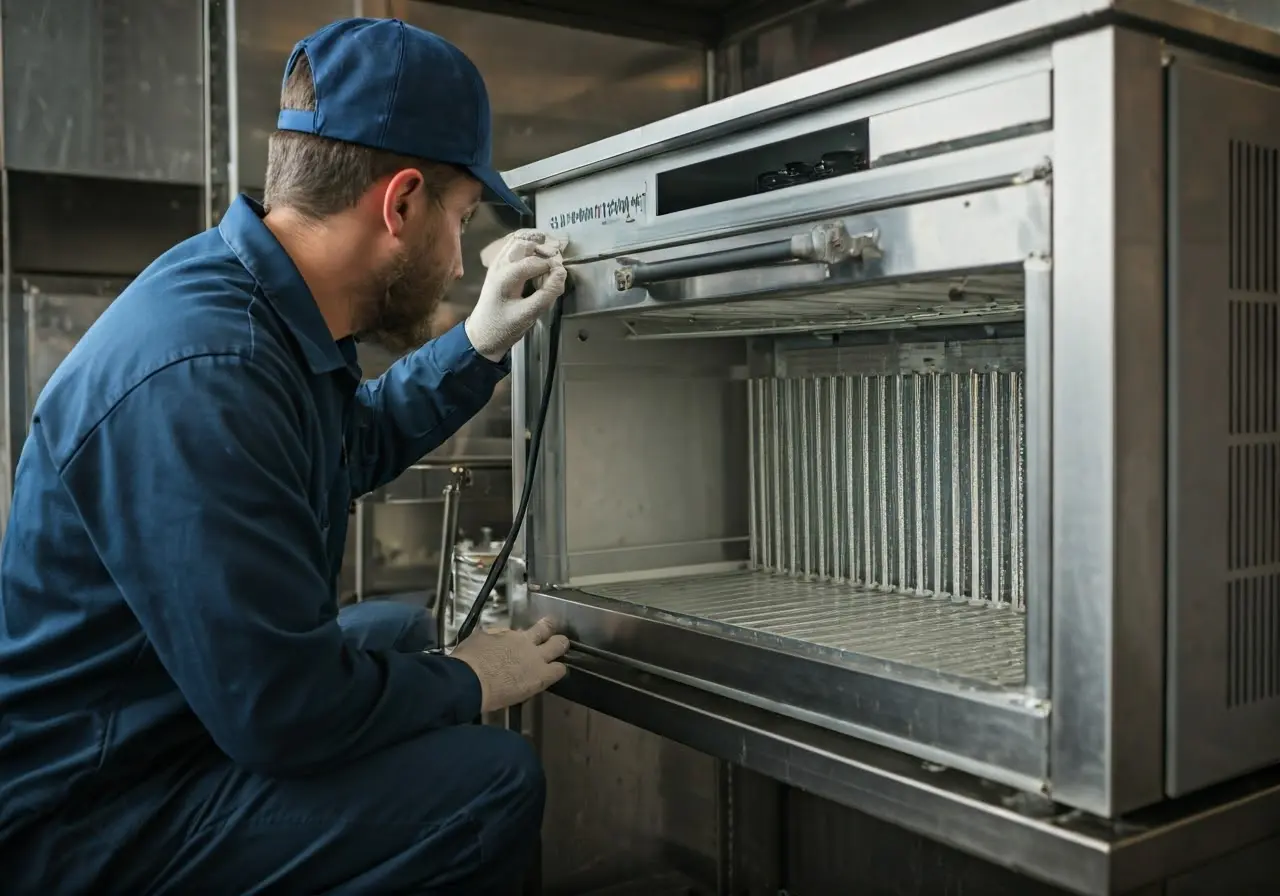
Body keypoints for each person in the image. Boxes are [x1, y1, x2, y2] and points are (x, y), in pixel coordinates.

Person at [0, 18, 571, 895]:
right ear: (402, 202)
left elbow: (354, 440)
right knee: (488, 786)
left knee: (393, 629)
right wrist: (465, 678)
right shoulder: (207, 370)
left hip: (164, 724)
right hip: (90, 816)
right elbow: (282, 714)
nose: (460, 260)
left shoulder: (256, 306)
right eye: (460, 222)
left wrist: (479, 342)